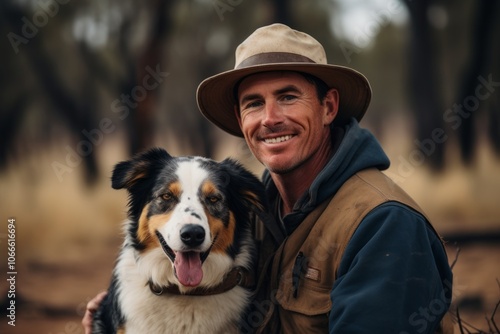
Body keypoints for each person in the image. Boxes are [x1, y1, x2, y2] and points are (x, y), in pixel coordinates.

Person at [83, 23, 453, 333]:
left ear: (328, 107)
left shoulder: (384, 224)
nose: (270, 118)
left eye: (288, 97)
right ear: (241, 120)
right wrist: (114, 315)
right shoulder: (255, 209)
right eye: (254, 103)